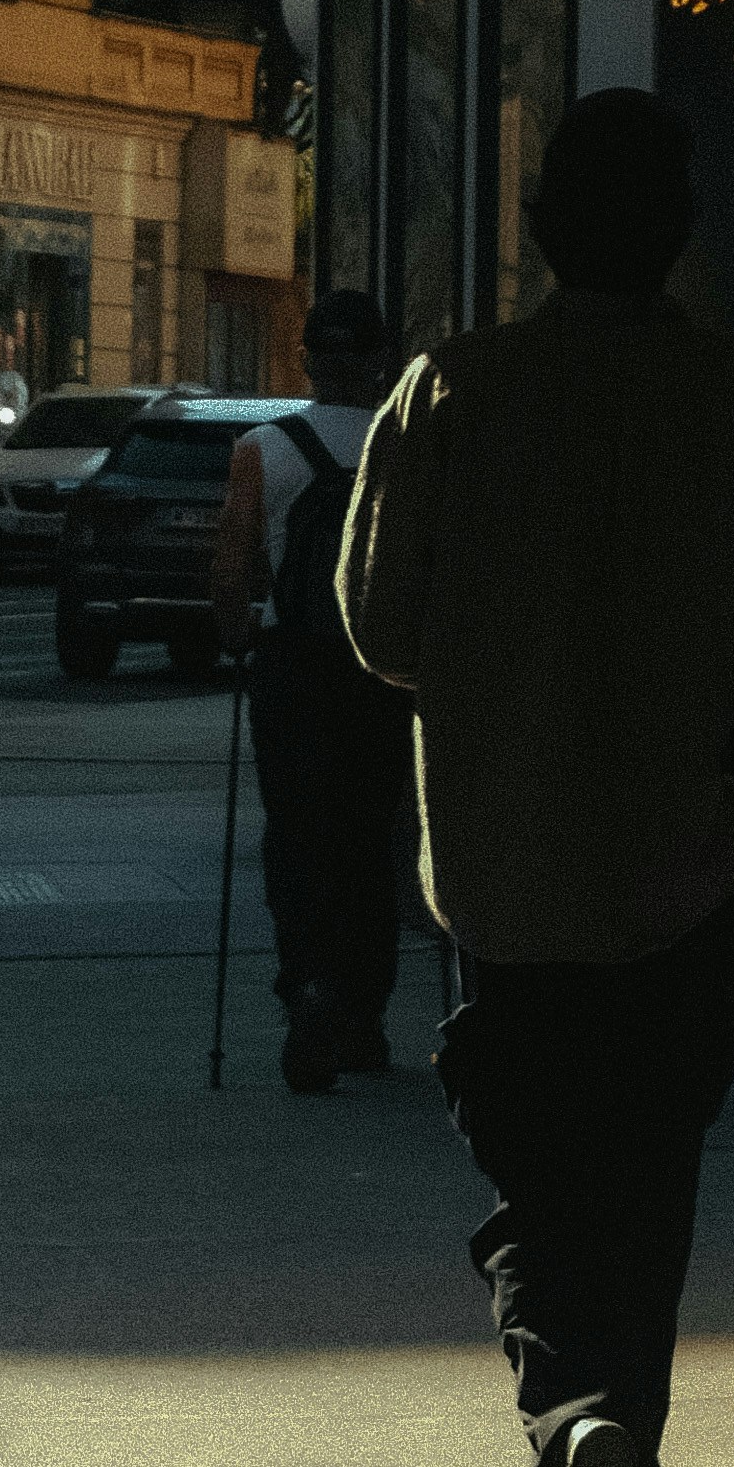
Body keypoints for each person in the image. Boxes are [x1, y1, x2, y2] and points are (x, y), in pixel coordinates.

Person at [338, 88, 734, 1467]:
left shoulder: (452, 389)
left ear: (534, 229)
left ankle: (575, 1425)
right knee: (645, 1192)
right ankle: (605, 1447)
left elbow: (376, 626)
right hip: (687, 867)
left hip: (503, 871)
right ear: (680, 232)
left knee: (541, 1189)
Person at [213, 288, 414, 1095]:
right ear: (380, 361)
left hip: (292, 666)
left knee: (298, 834)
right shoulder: (409, 442)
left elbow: (232, 560)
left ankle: (309, 987)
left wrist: (238, 636)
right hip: (382, 671)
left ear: (306, 361)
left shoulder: (262, 448)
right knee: (371, 838)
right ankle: (364, 1016)